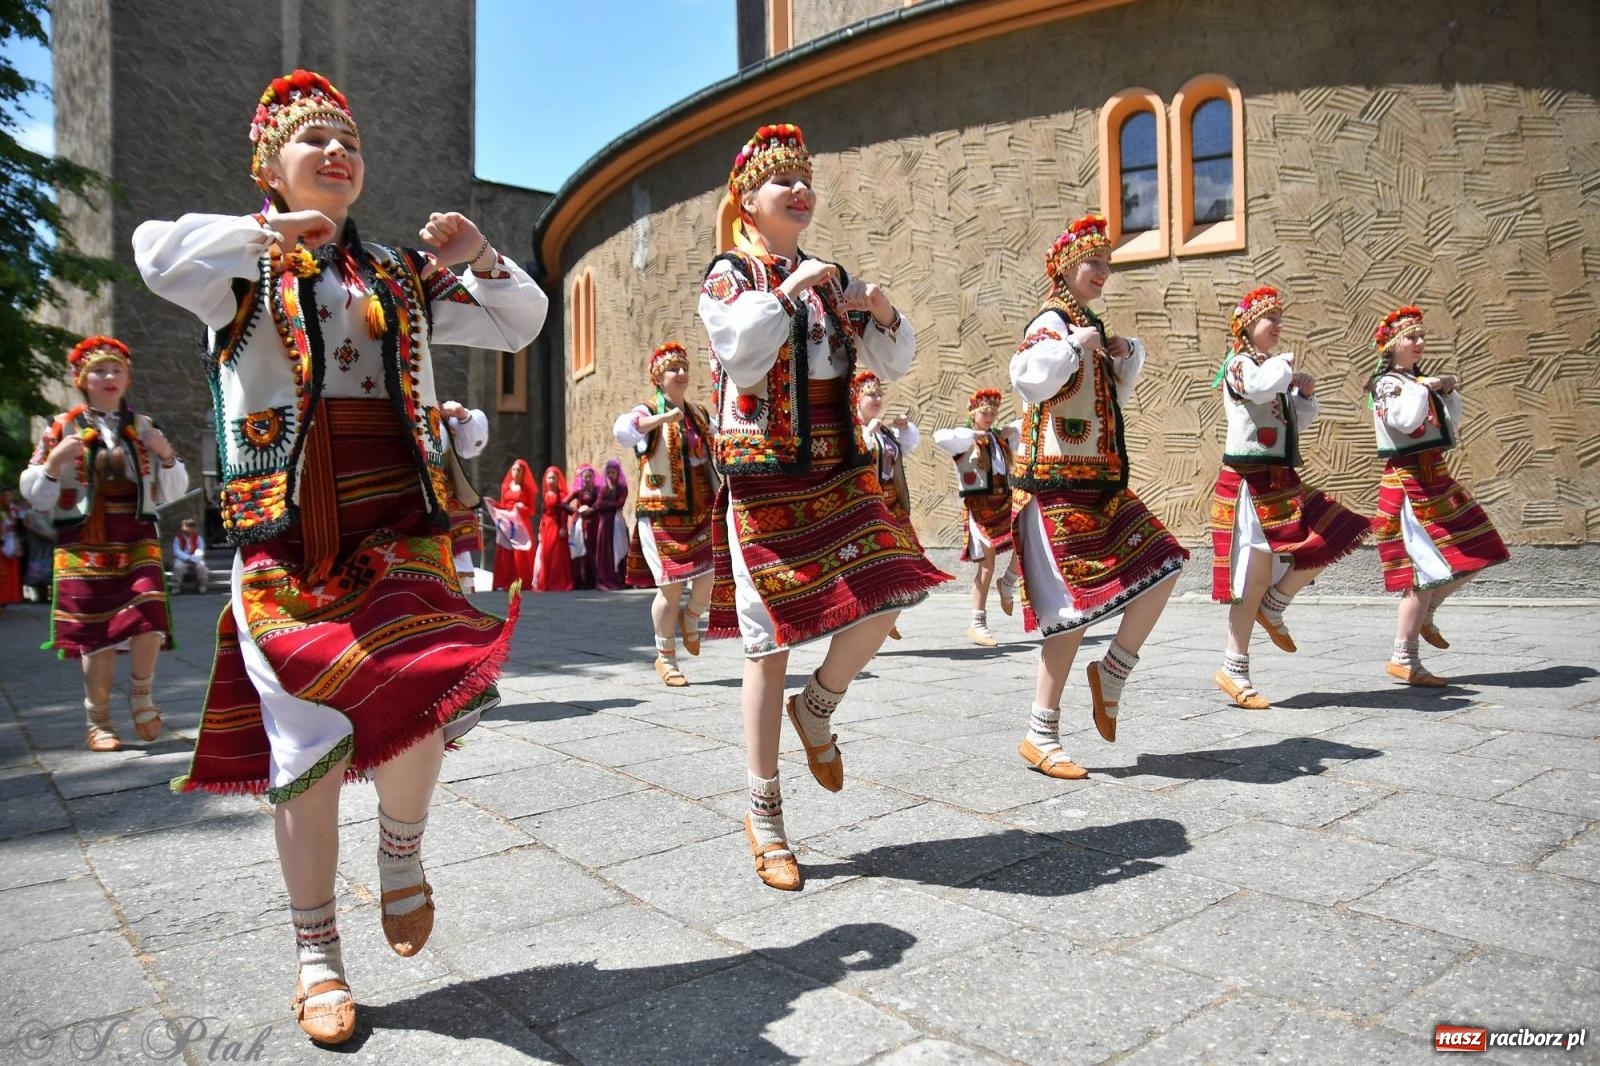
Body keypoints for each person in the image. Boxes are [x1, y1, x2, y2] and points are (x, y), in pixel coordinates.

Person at [132, 69, 547, 1045]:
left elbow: (518, 321)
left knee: (436, 691)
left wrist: (482, 253)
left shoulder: (397, 275)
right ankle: (316, 952)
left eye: (347, 139)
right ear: (268, 166)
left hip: (398, 523)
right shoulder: (234, 269)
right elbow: (153, 251)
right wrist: (264, 236)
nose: (336, 152)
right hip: (288, 533)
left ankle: (400, 851)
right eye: (312, 140)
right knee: (307, 752)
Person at [699, 123, 950, 891]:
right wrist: (788, 290)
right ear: (748, 199)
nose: (799, 191)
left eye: (805, 181)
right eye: (783, 183)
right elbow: (740, 350)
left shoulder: (827, 278)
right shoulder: (729, 275)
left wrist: (879, 309)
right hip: (766, 474)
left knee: (897, 586)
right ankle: (764, 811)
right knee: (767, 640)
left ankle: (821, 705)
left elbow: (888, 362)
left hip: (836, 471)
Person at [1008, 213, 1188, 779]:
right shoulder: (1050, 320)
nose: (1103, 272)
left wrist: (1119, 351)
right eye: (1094, 262)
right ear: (1065, 266)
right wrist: (1071, 343)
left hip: (1103, 484)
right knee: (1073, 611)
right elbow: (1027, 376)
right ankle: (1041, 733)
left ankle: (1114, 668)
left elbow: (1109, 396)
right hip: (1057, 486)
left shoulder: (1086, 322)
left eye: (1107, 263)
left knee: (1166, 563)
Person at [19, 335, 187, 750]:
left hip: (135, 534)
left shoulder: (145, 426)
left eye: (116, 370)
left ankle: (142, 697)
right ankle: (99, 722)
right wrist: (55, 463)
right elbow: (34, 493)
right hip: (83, 539)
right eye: (99, 370)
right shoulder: (62, 426)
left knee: (149, 614)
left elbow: (172, 490)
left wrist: (166, 456)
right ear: (81, 378)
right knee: (97, 631)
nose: (108, 376)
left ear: (127, 378)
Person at [1208, 286, 1370, 708]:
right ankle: (1234, 668)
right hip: (1250, 482)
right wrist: (1282, 368)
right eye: (1270, 318)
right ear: (1247, 325)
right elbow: (1259, 389)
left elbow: (1288, 416)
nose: (1279, 325)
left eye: (1280, 317)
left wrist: (1305, 396)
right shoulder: (1239, 365)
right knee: (1252, 579)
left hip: (1281, 480)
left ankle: (1276, 604)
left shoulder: (1266, 368)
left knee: (1335, 532)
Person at [1369, 306, 1509, 685]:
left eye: (1421, 336)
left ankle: (1427, 613)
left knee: (1482, 549)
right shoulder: (1387, 384)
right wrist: (1427, 387)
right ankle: (1404, 657)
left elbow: (1449, 425)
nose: (1419, 342)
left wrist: (1447, 393)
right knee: (1421, 574)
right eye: (1410, 337)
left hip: (1436, 478)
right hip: (1408, 483)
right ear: (1391, 345)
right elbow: (1406, 420)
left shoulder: (1415, 382)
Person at [614, 342, 717, 686]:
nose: (682, 373)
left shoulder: (699, 414)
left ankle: (692, 617)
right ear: (659, 378)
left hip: (701, 509)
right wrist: (663, 418)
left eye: (684, 367)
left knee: (712, 572)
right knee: (670, 587)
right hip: (662, 513)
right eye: (674, 369)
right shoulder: (647, 412)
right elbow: (624, 431)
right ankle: (666, 658)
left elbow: (721, 441)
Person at [933, 388, 1022, 646]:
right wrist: (974, 434)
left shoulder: (998, 439)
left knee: (1026, 537)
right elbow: (941, 436)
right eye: (985, 411)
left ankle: (1008, 582)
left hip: (1004, 503)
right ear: (973, 412)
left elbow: (1024, 426)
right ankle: (978, 623)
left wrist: (1006, 432)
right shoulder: (964, 438)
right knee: (986, 565)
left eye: (993, 412)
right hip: (980, 508)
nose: (990, 416)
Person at [852, 370, 923, 640]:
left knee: (908, 559)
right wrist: (869, 431)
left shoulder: (884, 431)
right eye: (870, 394)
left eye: (879, 393)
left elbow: (904, 449)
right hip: (866, 506)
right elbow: (857, 455)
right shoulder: (855, 431)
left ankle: (886, 612)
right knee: (873, 565)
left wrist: (903, 429)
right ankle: (873, 619)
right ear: (856, 399)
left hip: (892, 505)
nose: (877, 398)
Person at [489, 458, 538, 591]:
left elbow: (532, 510)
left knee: (520, 553)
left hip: (521, 524)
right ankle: (504, 581)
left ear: (523, 473)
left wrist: (523, 507)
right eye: (514, 469)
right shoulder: (505, 487)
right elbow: (503, 505)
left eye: (519, 470)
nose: (516, 472)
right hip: (507, 523)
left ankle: (521, 581)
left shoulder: (526, 489)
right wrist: (493, 503)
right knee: (506, 552)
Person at [535, 465, 575, 592]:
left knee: (557, 555)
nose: (551, 480)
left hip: (557, 526)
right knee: (546, 555)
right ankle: (547, 582)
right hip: (547, 527)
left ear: (558, 480)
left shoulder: (562, 495)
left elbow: (563, 512)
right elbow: (543, 513)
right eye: (549, 478)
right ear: (545, 480)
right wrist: (540, 529)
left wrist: (563, 527)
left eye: (553, 478)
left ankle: (559, 582)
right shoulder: (545, 494)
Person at [594, 459, 629, 591]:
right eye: (608, 472)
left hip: (617, 523)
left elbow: (619, 504)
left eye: (613, 472)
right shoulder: (603, 489)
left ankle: (618, 578)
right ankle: (605, 578)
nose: (610, 475)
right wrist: (608, 505)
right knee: (605, 551)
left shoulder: (622, 489)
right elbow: (598, 504)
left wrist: (605, 505)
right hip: (604, 524)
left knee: (618, 548)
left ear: (617, 473)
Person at [566, 462, 600, 589]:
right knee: (583, 550)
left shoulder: (598, 491)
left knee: (595, 550)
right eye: (584, 476)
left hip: (595, 523)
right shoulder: (579, 492)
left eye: (589, 476)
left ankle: (596, 579)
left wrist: (593, 509)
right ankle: (583, 579)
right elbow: (563, 503)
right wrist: (575, 511)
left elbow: (601, 503)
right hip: (582, 524)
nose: (587, 479)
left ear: (593, 477)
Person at [171, 517, 211, 594]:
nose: (189, 529)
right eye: (187, 526)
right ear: (183, 527)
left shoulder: (197, 537)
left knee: (201, 566)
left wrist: (195, 558)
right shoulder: (178, 538)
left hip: (195, 558)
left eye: (191, 527)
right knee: (177, 566)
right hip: (182, 559)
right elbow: (177, 551)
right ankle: (176, 587)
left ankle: (202, 586)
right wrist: (187, 558)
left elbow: (201, 549)